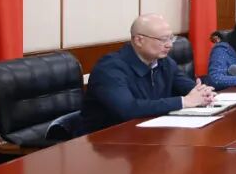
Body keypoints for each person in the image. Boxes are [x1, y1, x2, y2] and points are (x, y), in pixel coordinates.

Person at [50, 14, 215, 140]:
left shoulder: (164, 62)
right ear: (139, 40)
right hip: (105, 146)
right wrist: (184, 101)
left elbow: (189, 88)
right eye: (163, 39)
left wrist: (202, 94)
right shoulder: (110, 69)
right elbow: (128, 109)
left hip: (147, 136)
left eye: (171, 38)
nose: (169, 45)